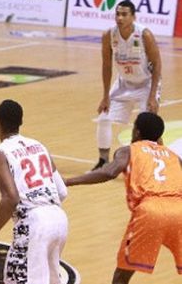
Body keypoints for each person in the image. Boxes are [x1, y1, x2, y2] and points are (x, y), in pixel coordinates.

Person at [65, 112, 182, 284]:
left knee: (122, 276)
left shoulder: (128, 150)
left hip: (151, 212)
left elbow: (109, 171)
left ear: (136, 133)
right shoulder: (174, 156)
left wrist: (69, 181)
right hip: (179, 210)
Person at [0, 99, 69, 284]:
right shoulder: (39, 145)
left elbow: (11, 197)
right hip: (59, 220)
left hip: (33, 224)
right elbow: (62, 191)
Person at [93, 0, 161, 171]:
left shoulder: (144, 34)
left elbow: (157, 63)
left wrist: (153, 95)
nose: (120, 17)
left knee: (148, 126)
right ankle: (103, 161)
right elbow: (106, 65)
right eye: (117, 14)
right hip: (124, 83)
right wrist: (105, 96)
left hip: (146, 85)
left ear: (133, 17)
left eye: (124, 14)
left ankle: (157, 162)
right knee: (103, 117)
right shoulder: (109, 35)